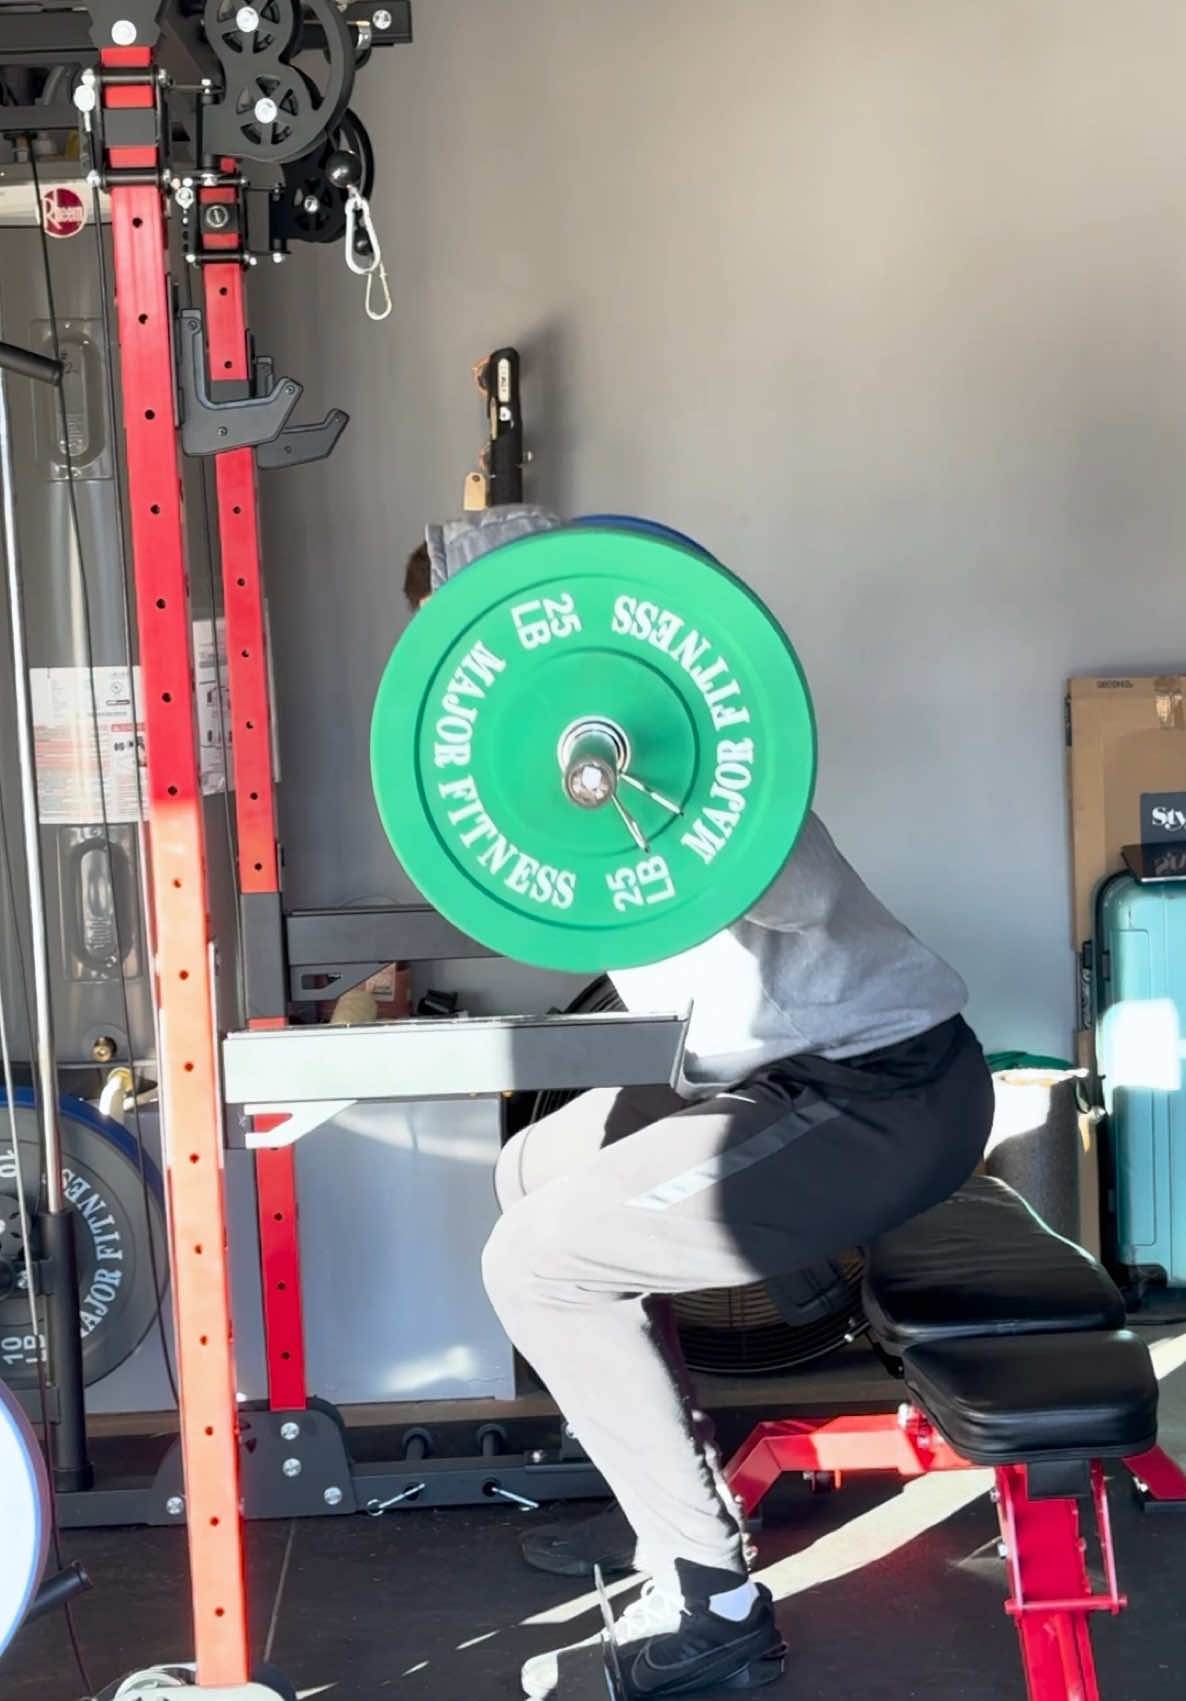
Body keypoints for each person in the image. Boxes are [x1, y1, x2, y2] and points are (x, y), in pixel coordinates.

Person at [402, 507, 994, 1699]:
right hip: (774, 1079)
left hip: (884, 1089)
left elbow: (727, 852)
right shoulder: (569, 791)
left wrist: (629, 770)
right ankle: (662, 1501)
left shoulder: (703, 781)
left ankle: (713, 1603)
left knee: (540, 1266)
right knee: (530, 1176)